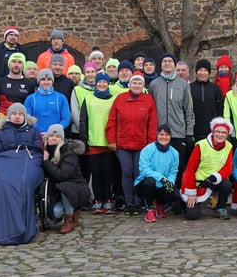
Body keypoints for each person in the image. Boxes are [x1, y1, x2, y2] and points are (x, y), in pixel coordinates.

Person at [107, 71, 157, 215]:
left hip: (142, 145)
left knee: (139, 173)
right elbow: (112, 121)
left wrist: (151, 143)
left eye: (139, 83)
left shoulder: (148, 100)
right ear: (130, 84)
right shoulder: (120, 99)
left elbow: (152, 124)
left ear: (143, 85)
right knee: (127, 172)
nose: (136, 85)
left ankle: (138, 201)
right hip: (123, 144)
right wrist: (112, 140)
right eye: (134, 83)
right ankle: (129, 202)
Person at [149, 53, 194, 177]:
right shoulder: (154, 84)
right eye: (164, 61)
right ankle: (161, 193)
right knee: (159, 165)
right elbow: (150, 109)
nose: (167, 63)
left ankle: (175, 193)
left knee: (177, 166)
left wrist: (189, 133)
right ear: (161, 65)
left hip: (178, 132)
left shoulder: (183, 85)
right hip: (159, 133)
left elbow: (189, 110)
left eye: (170, 61)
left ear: (174, 65)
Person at [181, 117, 235, 220]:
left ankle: (220, 208)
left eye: (223, 132)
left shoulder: (229, 146)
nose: (220, 135)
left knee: (227, 184)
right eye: (217, 131)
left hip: (213, 181)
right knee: (192, 216)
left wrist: (213, 178)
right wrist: (191, 192)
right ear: (213, 132)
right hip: (198, 183)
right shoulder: (201, 145)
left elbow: (228, 168)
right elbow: (190, 170)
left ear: (227, 134)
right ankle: (181, 202)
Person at [78, 72, 117, 214]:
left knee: (108, 173)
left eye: (104, 82)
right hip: (93, 142)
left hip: (108, 142)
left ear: (108, 84)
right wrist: (84, 139)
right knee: (96, 173)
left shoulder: (114, 100)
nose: (101, 84)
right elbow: (83, 120)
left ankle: (107, 200)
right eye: (99, 82)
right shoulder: (88, 99)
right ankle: (97, 200)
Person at [41, 124, 90, 234]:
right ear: (47, 137)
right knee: (55, 213)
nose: (54, 138)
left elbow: (62, 175)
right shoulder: (46, 152)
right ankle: (73, 210)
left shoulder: (69, 153)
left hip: (77, 188)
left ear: (62, 139)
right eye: (51, 135)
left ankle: (69, 218)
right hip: (59, 191)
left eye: (57, 136)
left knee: (65, 187)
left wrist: (46, 162)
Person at [136, 125, 181, 222]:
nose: (164, 137)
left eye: (167, 135)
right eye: (161, 134)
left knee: (175, 194)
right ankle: (149, 209)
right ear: (157, 135)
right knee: (150, 182)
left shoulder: (175, 153)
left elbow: (173, 172)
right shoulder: (147, 150)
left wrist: (169, 182)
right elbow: (144, 170)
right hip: (145, 184)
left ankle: (160, 204)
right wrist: (160, 178)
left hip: (162, 185)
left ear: (170, 137)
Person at [0, 52, 35, 126]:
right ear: (9, 64)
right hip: (3, 124)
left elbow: (33, 107)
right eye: (14, 61)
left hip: (23, 125)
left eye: (19, 62)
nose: (16, 65)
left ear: (23, 65)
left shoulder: (30, 84)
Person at [24, 69, 70, 134]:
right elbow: (27, 119)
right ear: (39, 81)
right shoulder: (30, 99)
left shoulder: (61, 98)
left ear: (52, 81)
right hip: (36, 135)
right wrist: (38, 132)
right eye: (43, 79)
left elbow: (66, 119)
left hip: (55, 135)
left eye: (49, 79)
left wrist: (54, 131)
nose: (46, 82)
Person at [190, 59, 224, 145]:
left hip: (211, 131)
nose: (202, 73)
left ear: (208, 73)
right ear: (196, 72)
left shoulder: (215, 89)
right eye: (200, 70)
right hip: (194, 130)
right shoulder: (189, 88)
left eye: (205, 70)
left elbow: (220, 110)